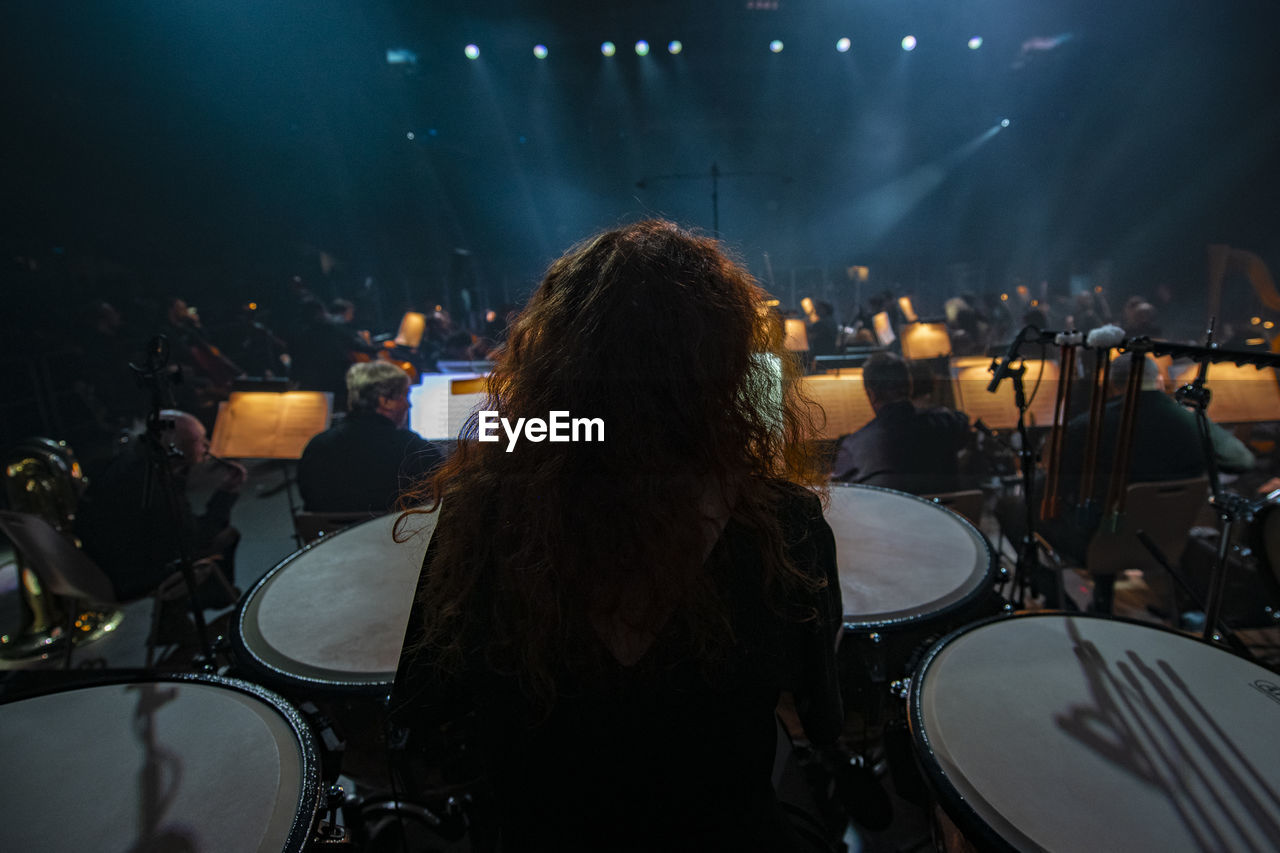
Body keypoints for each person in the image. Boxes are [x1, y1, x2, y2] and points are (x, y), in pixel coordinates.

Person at [390, 220, 844, 851]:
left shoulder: (483, 513)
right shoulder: (785, 523)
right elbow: (825, 714)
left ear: (553, 362)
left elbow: (423, 713)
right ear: (726, 363)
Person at [1006, 352, 1253, 612]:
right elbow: (1242, 460)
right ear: (1158, 379)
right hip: (1168, 541)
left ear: (1112, 384)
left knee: (1012, 509)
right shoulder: (1191, 421)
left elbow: (1055, 488)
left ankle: (1060, 600)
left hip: (1099, 543)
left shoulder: (1088, 425)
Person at [75, 409, 245, 603]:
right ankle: (214, 597)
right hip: (133, 576)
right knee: (228, 536)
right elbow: (193, 538)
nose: (207, 447)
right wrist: (226, 495)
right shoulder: (155, 485)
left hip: (104, 566)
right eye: (200, 441)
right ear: (175, 448)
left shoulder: (133, 462)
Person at [297, 361, 441, 513]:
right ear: (385, 401)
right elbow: (440, 494)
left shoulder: (318, 446)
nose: (408, 405)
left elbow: (311, 499)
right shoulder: (413, 448)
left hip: (335, 535)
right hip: (392, 535)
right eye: (405, 395)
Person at [832, 352, 973, 494]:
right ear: (910, 386)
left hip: (889, 516)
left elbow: (840, 494)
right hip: (943, 513)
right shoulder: (946, 422)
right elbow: (963, 423)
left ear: (871, 394)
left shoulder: (853, 446)